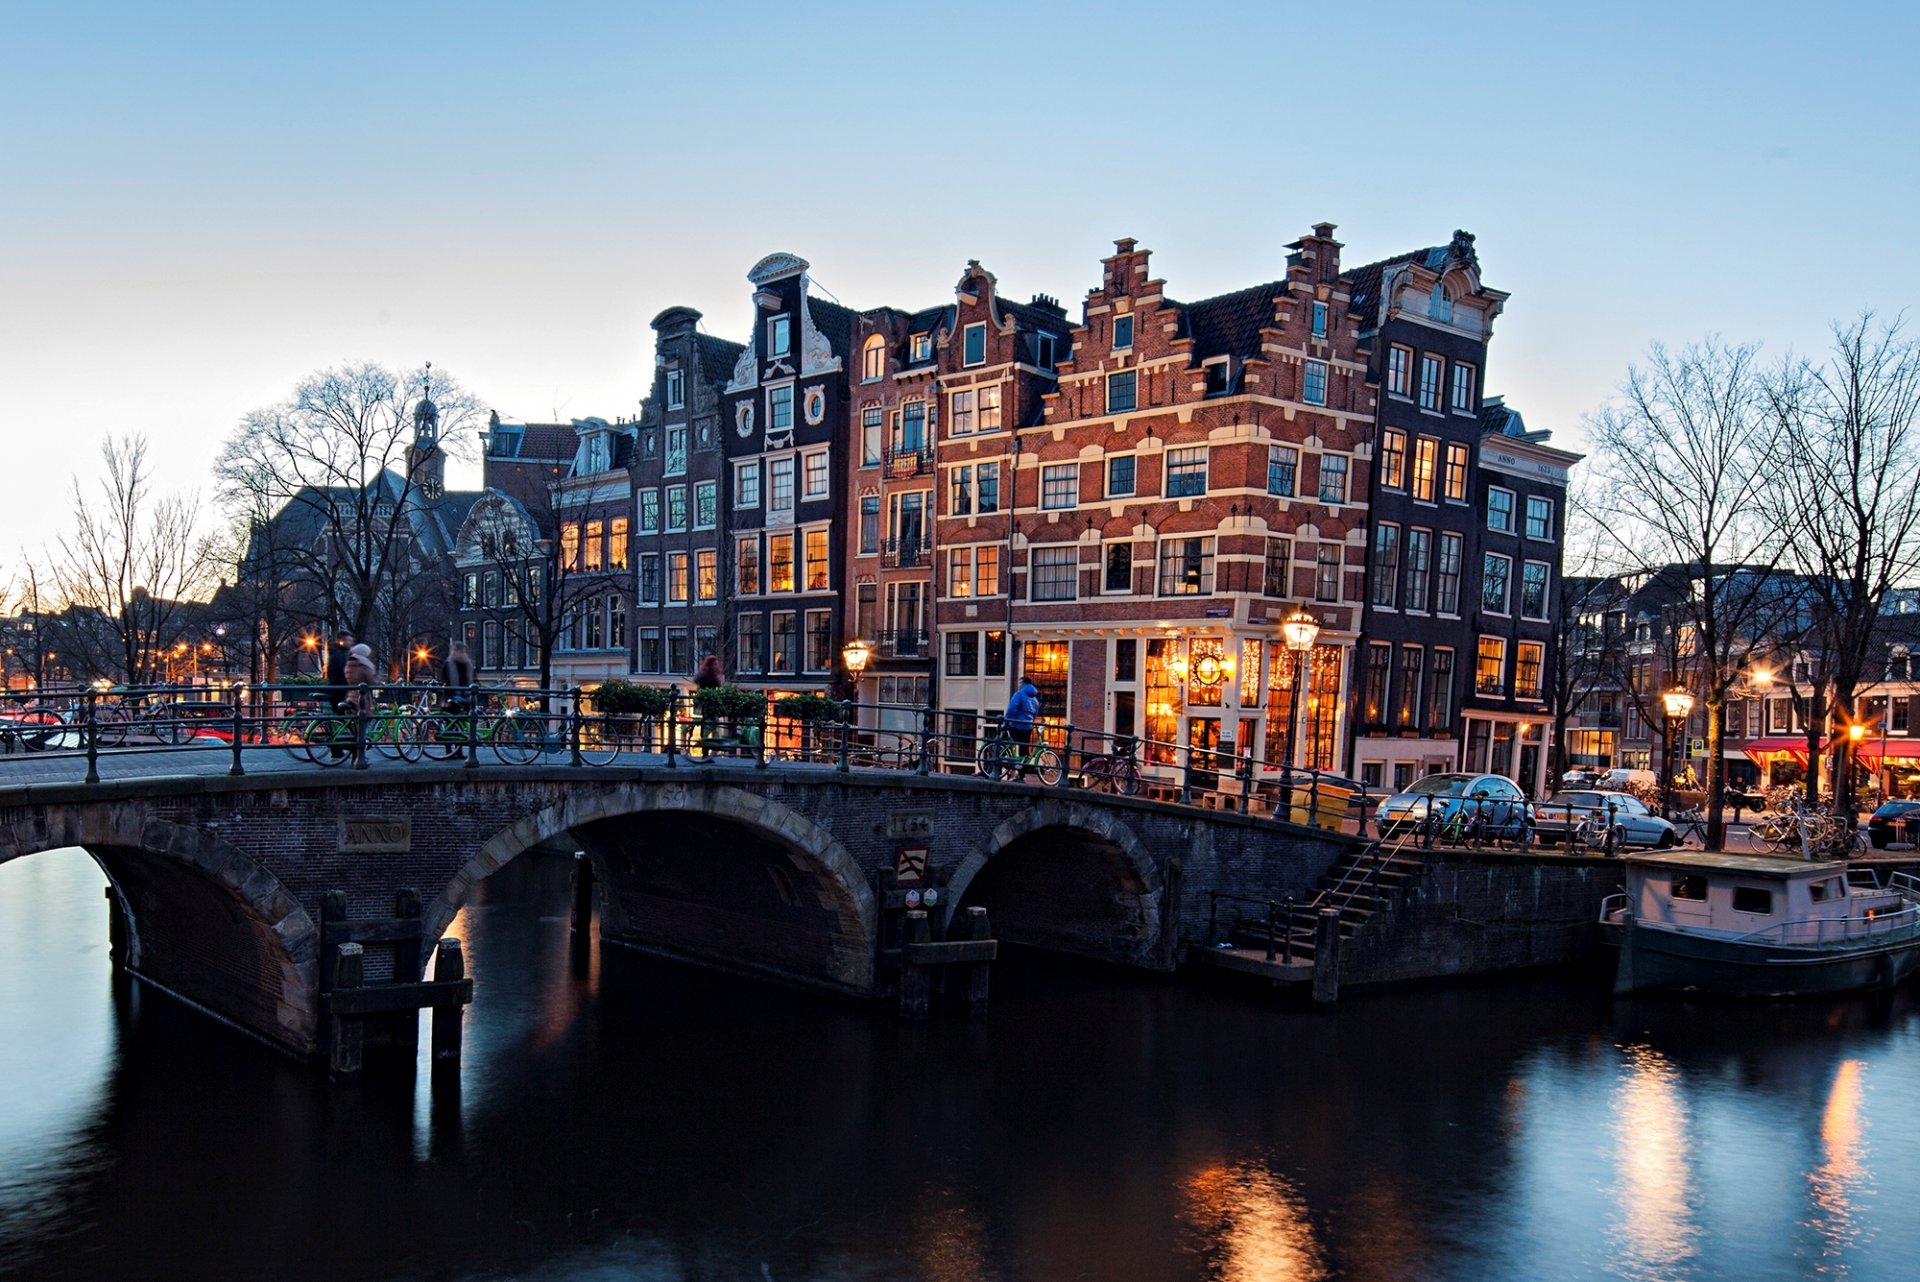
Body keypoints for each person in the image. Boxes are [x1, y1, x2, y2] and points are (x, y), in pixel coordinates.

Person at [1003, 678, 1040, 775]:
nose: (1018, 685)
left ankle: (993, 768)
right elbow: (1035, 714)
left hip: (1016, 725)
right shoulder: (1035, 700)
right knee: (1024, 751)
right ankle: (1021, 776)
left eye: (1020, 683)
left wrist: (1006, 723)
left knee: (1001, 742)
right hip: (1028, 728)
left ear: (1023, 684)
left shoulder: (1019, 694)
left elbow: (1011, 709)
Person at [343, 643, 379, 713]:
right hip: (361, 696)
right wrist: (378, 683)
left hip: (352, 694)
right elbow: (370, 679)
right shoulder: (363, 664)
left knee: (356, 718)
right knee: (365, 717)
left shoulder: (350, 663)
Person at [444, 641, 476, 713]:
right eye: (453, 650)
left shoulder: (467, 664)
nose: (454, 653)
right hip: (453, 695)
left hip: (463, 694)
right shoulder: (449, 663)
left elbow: (471, 680)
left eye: (456, 650)